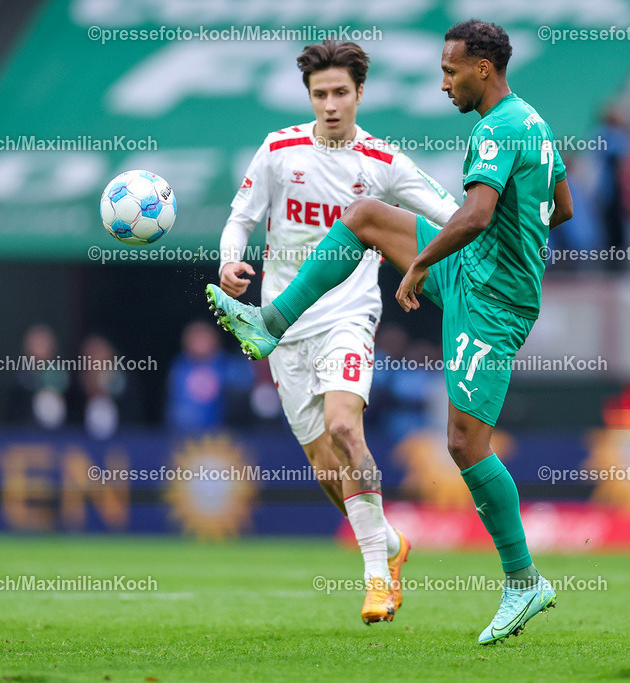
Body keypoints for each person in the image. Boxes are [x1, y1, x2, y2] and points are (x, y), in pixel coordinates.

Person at [206, 20, 573, 644]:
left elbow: (479, 212)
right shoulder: (533, 124)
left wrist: (426, 263)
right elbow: (560, 205)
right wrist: (515, 238)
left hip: (491, 302)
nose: (444, 81)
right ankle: (270, 322)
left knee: (465, 443)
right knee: (366, 217)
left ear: (482, 68)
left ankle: (523, 580)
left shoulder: (497, 127)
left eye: (451, 69)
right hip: (475, 274)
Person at [214, 39, 459, 624]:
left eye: (340, 93)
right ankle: (390, 546)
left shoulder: (382, 161)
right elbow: (241, 218)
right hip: (281, 327)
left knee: (346, 427)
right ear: (309, 96)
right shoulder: (279, 150)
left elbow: (450, 213)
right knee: (327, 469)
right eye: (320, 94)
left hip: (349, 316)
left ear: (360, 94)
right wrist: (229, 262)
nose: (330, 104)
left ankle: (376, 576)